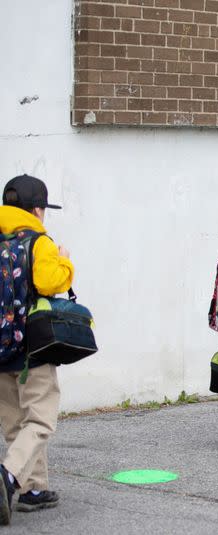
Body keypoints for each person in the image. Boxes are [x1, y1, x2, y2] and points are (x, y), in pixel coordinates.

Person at [0, 174, 74, 524]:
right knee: (40, 418)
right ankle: (9, 475)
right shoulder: (38, 242)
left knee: (15, 420)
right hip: (32, 347)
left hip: (0, 349)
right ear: (37, 209)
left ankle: (32, 489)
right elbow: (50, 281)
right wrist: (65, 262)